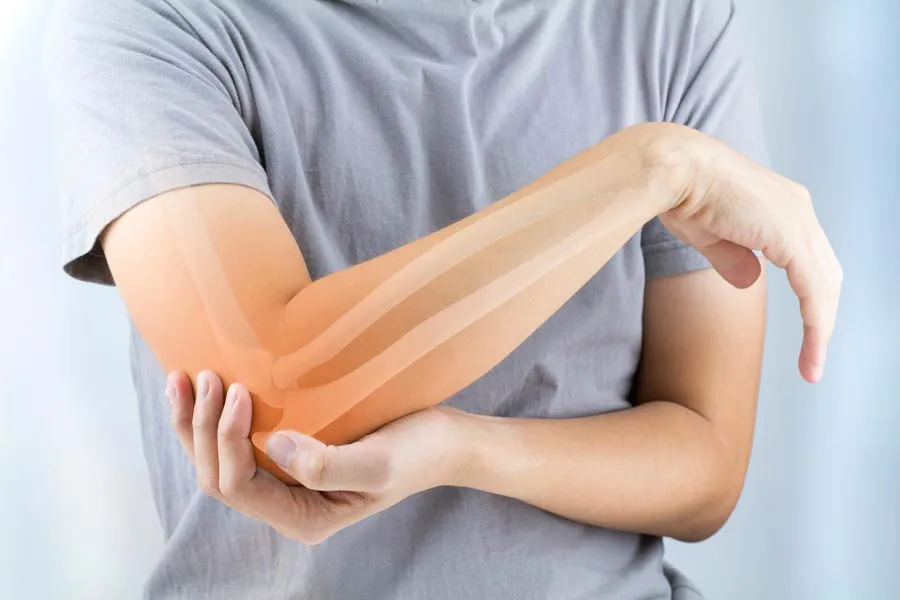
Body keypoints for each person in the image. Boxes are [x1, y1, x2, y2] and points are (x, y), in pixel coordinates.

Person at [44, 0, 841, 598]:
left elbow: (705, 463)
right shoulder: (160, 18)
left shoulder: (667, 17)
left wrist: (465, 450)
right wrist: (652, 169)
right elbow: (288, 392)